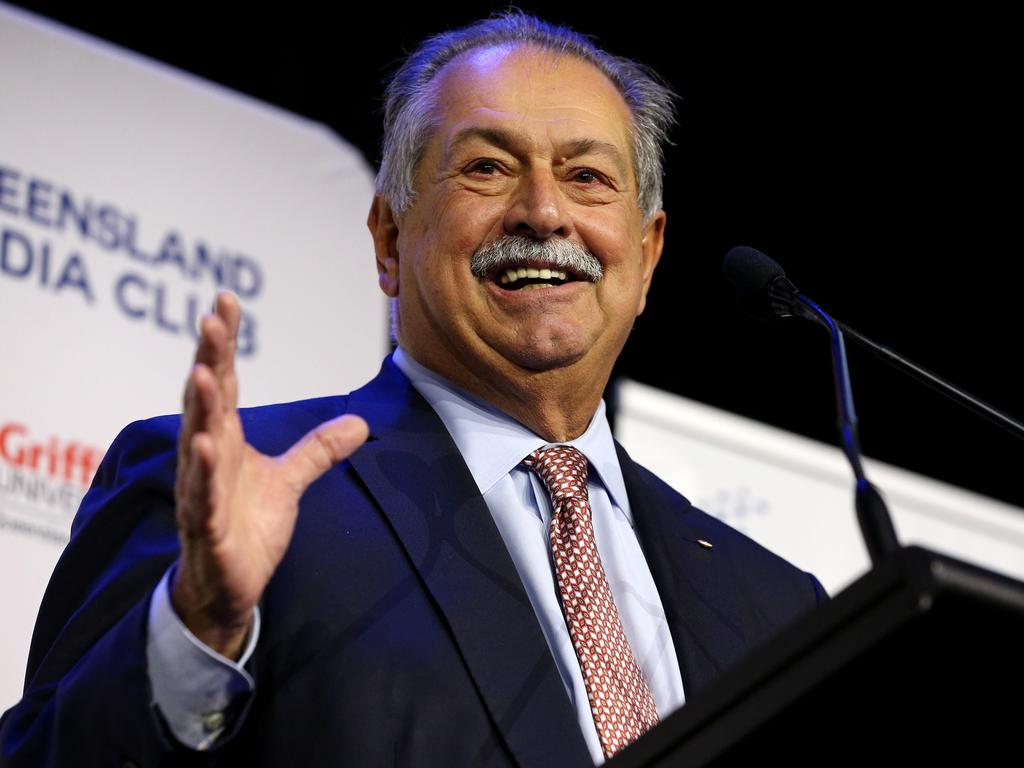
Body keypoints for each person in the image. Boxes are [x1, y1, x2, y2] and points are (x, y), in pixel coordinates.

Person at [0, 12, 825, 767]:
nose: (543, 211)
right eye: (487, 167)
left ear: (645, 256)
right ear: (390, 238)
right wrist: (198, 632)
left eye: (587, 178)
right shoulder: (232, 490)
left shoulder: (777, 606)